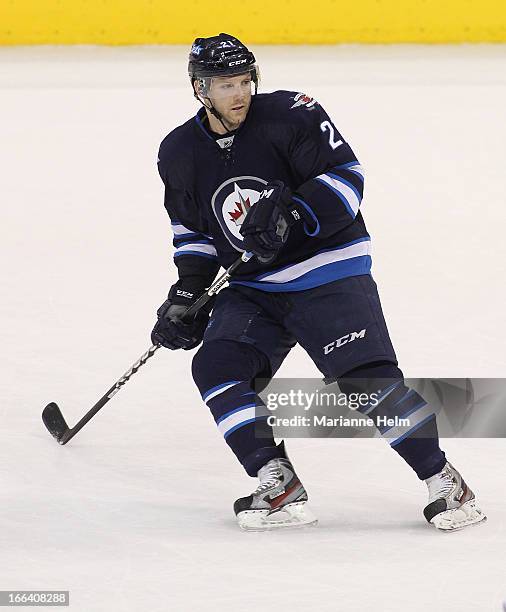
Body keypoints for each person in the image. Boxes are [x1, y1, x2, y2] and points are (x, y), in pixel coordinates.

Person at [152, 33, 486, 532]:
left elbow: (347, 177)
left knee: (365, 380)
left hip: (327, 268)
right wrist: (188, 291)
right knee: (218, 366)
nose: (239, 94)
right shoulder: (178, 150)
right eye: (226, 85)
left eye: (244, 81)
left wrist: (294, 210)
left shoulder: (293, 114)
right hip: (254, 288)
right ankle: (276, 481)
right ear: (200, 89)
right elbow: (192, 231)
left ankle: (444, 480)